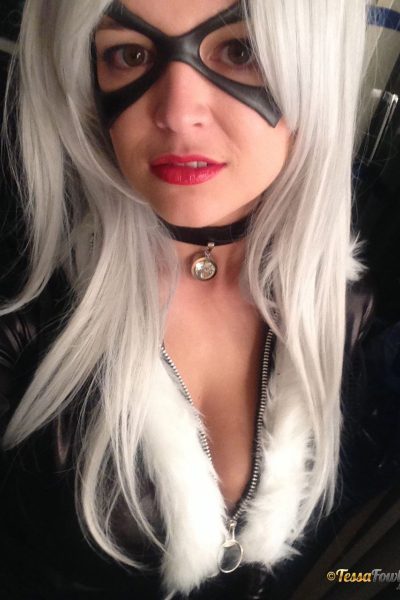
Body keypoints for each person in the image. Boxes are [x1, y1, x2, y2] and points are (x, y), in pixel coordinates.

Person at [1, 1, 396, 599]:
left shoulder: (347, 312)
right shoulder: (23, 315)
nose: (177, 113)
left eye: (241, 51)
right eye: (129, 53)